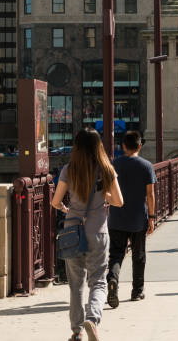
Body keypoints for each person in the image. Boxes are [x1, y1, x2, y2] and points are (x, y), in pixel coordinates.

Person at [52, 128, 123, 341]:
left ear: (76, 147)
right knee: (98, 281)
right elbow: (120, 201)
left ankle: (76, 331)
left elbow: (55, 201)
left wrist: (67, 210)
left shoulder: (68, 169)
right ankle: (93, 319)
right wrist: (106, 197)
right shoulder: (106, 169)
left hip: (72, 230)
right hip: (99, 232)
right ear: (98, 146)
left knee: (76, 284)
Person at [106, 131, 156, 308]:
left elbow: (107, 191)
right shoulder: (147, 166)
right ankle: (137, 291)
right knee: (139, 255)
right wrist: (151, 217)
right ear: (140, 146)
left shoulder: (114, 165)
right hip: (138, 218)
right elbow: (150, 195)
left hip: (117, 218)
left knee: (116, 254)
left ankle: (113, 279)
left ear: (123, 146)